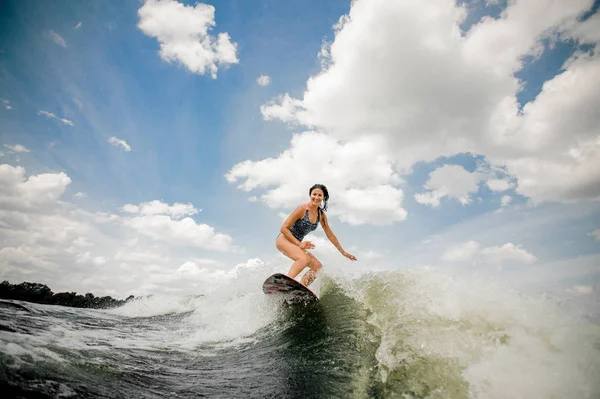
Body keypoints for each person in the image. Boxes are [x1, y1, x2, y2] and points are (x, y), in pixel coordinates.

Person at [276, 184, 357, 287]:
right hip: (284, 240)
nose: (316, 197)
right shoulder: (302, 209)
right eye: (314, 194)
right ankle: (286, 283)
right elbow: (283, 228)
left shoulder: (321, 215)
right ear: (310, 195)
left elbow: (330, 235)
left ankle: (301, 288)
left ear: (323, 197)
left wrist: (343, 252)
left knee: (317, 267)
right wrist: (298, 243)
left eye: (320, 195)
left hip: (297, 244)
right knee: (304, 259)